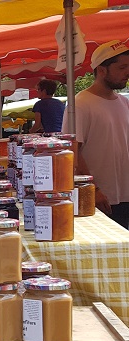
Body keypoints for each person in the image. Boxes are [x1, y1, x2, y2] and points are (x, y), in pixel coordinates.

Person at [63, 40, 129, 228]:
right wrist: (92, 190)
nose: (127, 72)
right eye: (122, 67)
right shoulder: (79, 105)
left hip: (125, 196)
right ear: (102, 70)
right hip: (100, 199)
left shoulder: (124, 103)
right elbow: (72, 151)